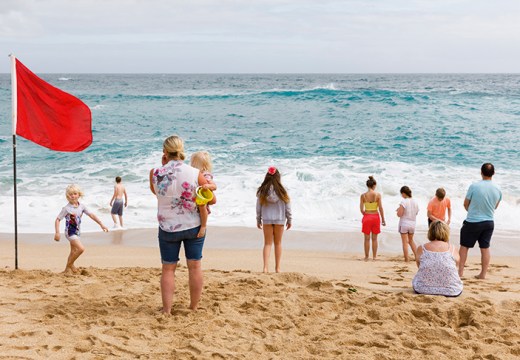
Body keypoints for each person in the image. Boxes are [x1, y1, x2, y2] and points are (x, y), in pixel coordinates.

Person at [149, 135, 215, 313]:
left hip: (167, 227)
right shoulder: (195, 173)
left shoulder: (155, 173)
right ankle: (193, 307)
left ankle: (167, 310)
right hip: (193, 225)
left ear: (165, 152)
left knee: (168, 269)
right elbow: (211, 198)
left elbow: (157, 193)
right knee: (194, 267)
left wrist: (163, 166)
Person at [459, 163, 502, 280]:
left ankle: (460, 272)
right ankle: (483, 274)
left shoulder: (474, 186)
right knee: (485, 248)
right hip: (489, 222)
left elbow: (465, 204)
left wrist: (472, 212)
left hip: (473, 221)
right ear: (493, 173)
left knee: (464, 246)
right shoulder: (498, 189)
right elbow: (495, 206)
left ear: (481, 172)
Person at [54, 184, 108, 274]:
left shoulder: (81, 206)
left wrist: (101, 224)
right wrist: (57, 232)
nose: (73, 196)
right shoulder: (66, 209)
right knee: (80, 249)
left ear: (79, 194)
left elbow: (91, 215)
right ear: (67, 196)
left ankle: (67, 270)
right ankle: (70, 265)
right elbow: (58, 219)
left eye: (75, 193)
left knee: (73, 251)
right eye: (70, 194)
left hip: (77, 232)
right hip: (70, 232)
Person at [412, 220, 463, 297]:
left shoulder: (422, 248)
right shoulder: (452, 248)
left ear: (430, 232)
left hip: (423, 288)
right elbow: (456, 266)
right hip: (451, 290)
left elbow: (419, 266)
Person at [256, 166, 292, 273]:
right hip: (279, 219)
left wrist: (258, 219)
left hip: (266, 219)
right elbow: (288, 207)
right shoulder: (282, 191)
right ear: (278, 177)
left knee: (267, 243)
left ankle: (265, 268)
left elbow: (258, 207)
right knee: (278, 243)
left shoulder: (262, 191)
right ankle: (277, 268)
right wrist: (289, 219)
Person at [190, 151, 217, 238]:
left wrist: (208, 186)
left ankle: (203, 226)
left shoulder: (206, 174)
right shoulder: (194, 174)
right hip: (197, 196)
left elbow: (214, 186)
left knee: (202, 207)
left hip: (203, 197)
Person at [360, 176, 386, 261]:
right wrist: (383, 219)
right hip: (375, 217)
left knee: (366, 239)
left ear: (367, 185)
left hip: (367, 217)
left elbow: (361, 209)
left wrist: (365, 214)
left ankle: (367, 257)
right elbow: (381, 208)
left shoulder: (363, 195)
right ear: (374, 185)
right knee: (374, 239)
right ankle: (374, 257)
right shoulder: (378, 195)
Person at [396, 186, 419, 262]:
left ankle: (406, 259)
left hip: (404, 224)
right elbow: (416, 213)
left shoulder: (404, 202)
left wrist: (398, 210)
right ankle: (417, 257)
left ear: (403, 193)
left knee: (405, 242)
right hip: (412, 224)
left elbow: (399, 214)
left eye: (401, 194)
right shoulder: (415, 202)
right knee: (411, 240)